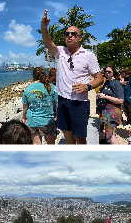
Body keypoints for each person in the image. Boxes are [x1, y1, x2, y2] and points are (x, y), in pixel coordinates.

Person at [39, 9, 103, 144]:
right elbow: (47, 42)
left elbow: (99, 78)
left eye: (73, 34)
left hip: (80, 103)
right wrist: (44, 27)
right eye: (67, 33)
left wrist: (87, 86)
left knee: (80, 137)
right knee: (67, 133)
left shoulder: (88, 55)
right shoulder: (60, 51)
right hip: (62, 100)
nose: (69, 36)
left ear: (79, 38)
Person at [21, 67, 58, 145]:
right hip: (48, 120)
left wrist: (24, 118)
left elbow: (25, 108)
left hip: (33, 121)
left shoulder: (28, 89)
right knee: (51, 143)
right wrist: (57, 116)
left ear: (33, 76)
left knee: (36, 144)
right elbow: (58, 104)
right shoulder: (52, 88)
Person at [97, 65, 124, 143]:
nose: (107, 73)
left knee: (111, 136)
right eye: (106, 71)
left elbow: (120, 100)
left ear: (113, 72)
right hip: (105, 111)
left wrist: (105, 96)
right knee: (106, 135)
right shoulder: (107, 82)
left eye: (109, 72)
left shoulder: (116, 83)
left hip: (113, 113)